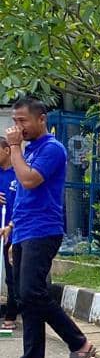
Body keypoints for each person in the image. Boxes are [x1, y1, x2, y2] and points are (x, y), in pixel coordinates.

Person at [2, 96, 96, 358]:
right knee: (24, 295)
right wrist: (13, 226)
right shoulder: (29, 151)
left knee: (32, 292)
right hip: (24, 230)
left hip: (44, 230)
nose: (18, 127)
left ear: (41, 119)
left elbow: (30, 180)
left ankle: (79, 342)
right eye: (15, 121)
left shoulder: (52, 149)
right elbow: (24, 196)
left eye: (23, 121)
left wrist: (15, 148)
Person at [0, 137, 18, 333]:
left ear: (6, 150)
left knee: (12, 276)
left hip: (13, 232)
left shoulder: (18, 173)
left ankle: (12, 313)